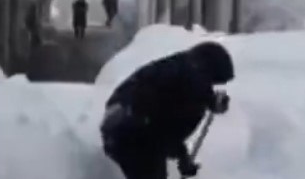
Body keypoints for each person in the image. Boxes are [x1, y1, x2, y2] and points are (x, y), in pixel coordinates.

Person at [100, 41, 234, 179]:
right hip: (132, 130)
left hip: (127, 127)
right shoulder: (189, 72)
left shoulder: (175, 71)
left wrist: (183, 158)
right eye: (213, 81)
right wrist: (210, 100)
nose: (211, 86)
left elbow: (167, 128)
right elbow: (192, 88)